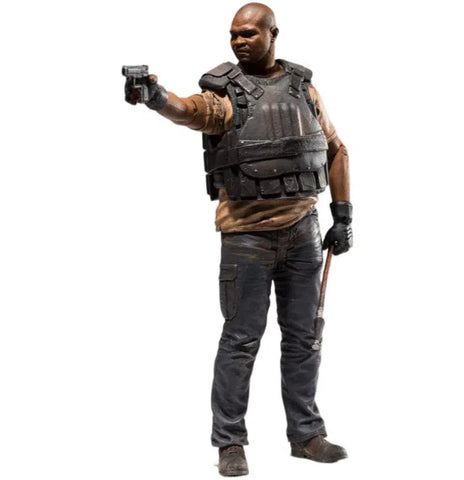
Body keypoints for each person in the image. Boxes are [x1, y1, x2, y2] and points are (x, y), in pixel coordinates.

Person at [124, 2, 352, 476]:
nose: (239, 41)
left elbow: (335, 149)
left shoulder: (303, 87)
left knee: (305, 338)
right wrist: (155, 96)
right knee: (241, 341)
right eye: (233, 35)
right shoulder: (224, 94)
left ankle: (306, 434)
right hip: (246, 240)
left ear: (273, 34)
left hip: (305, 234)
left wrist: (343, 215)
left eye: (249, 33)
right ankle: (229, 441)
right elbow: (189, 111)